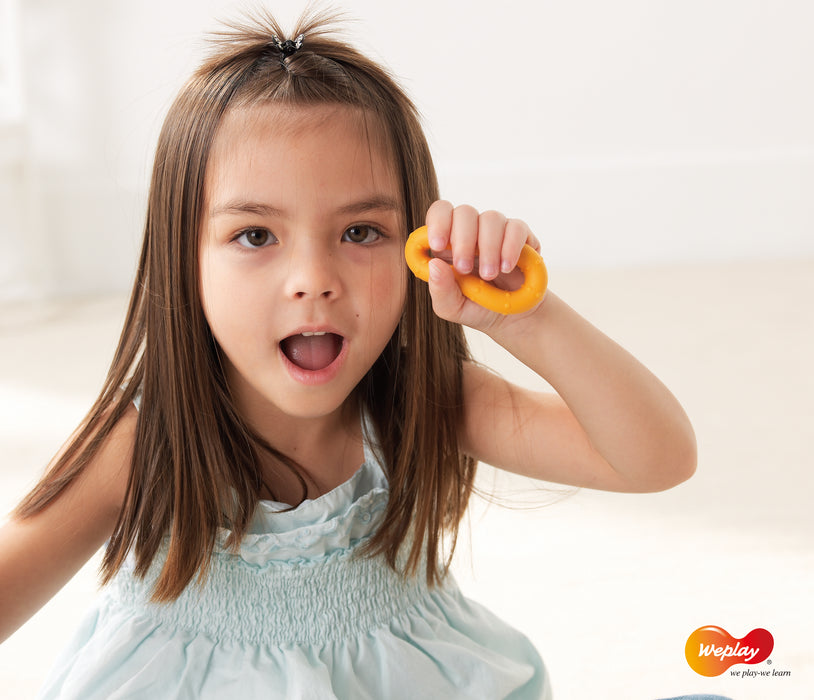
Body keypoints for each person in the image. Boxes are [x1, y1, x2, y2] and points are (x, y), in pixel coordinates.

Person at [0, 9, 698, 699]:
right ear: (184, 259)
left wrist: (528, 318)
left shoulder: (423, 397)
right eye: (255, 236)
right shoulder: (143, 444)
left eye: (361, 232)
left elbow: (655, 459)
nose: (314, 279)